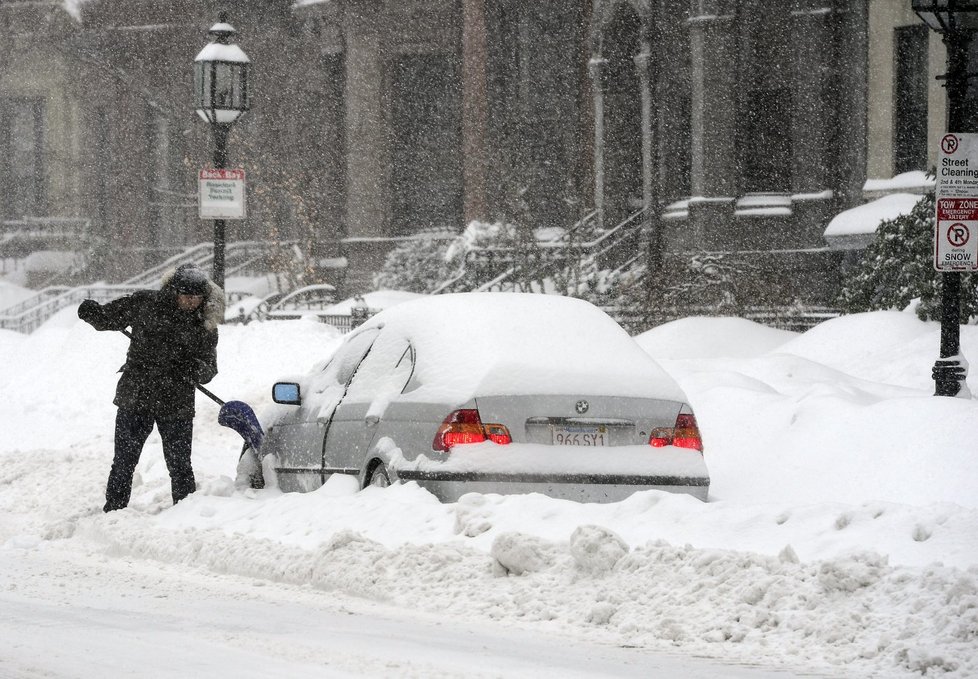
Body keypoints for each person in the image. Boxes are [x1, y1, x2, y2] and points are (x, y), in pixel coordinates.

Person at [78, 264, 223, 512]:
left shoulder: (204, 326)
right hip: (136, 396)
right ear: (174, 291)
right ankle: (114, 510)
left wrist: (190, 369)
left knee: (179, 464)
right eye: (186, 296)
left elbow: (209, 368)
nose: (191, 302)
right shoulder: (145, 303)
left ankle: (186, 512)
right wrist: (93, 313)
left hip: (176, 401)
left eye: (197, 298)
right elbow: (109, 319)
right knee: (124, 461)